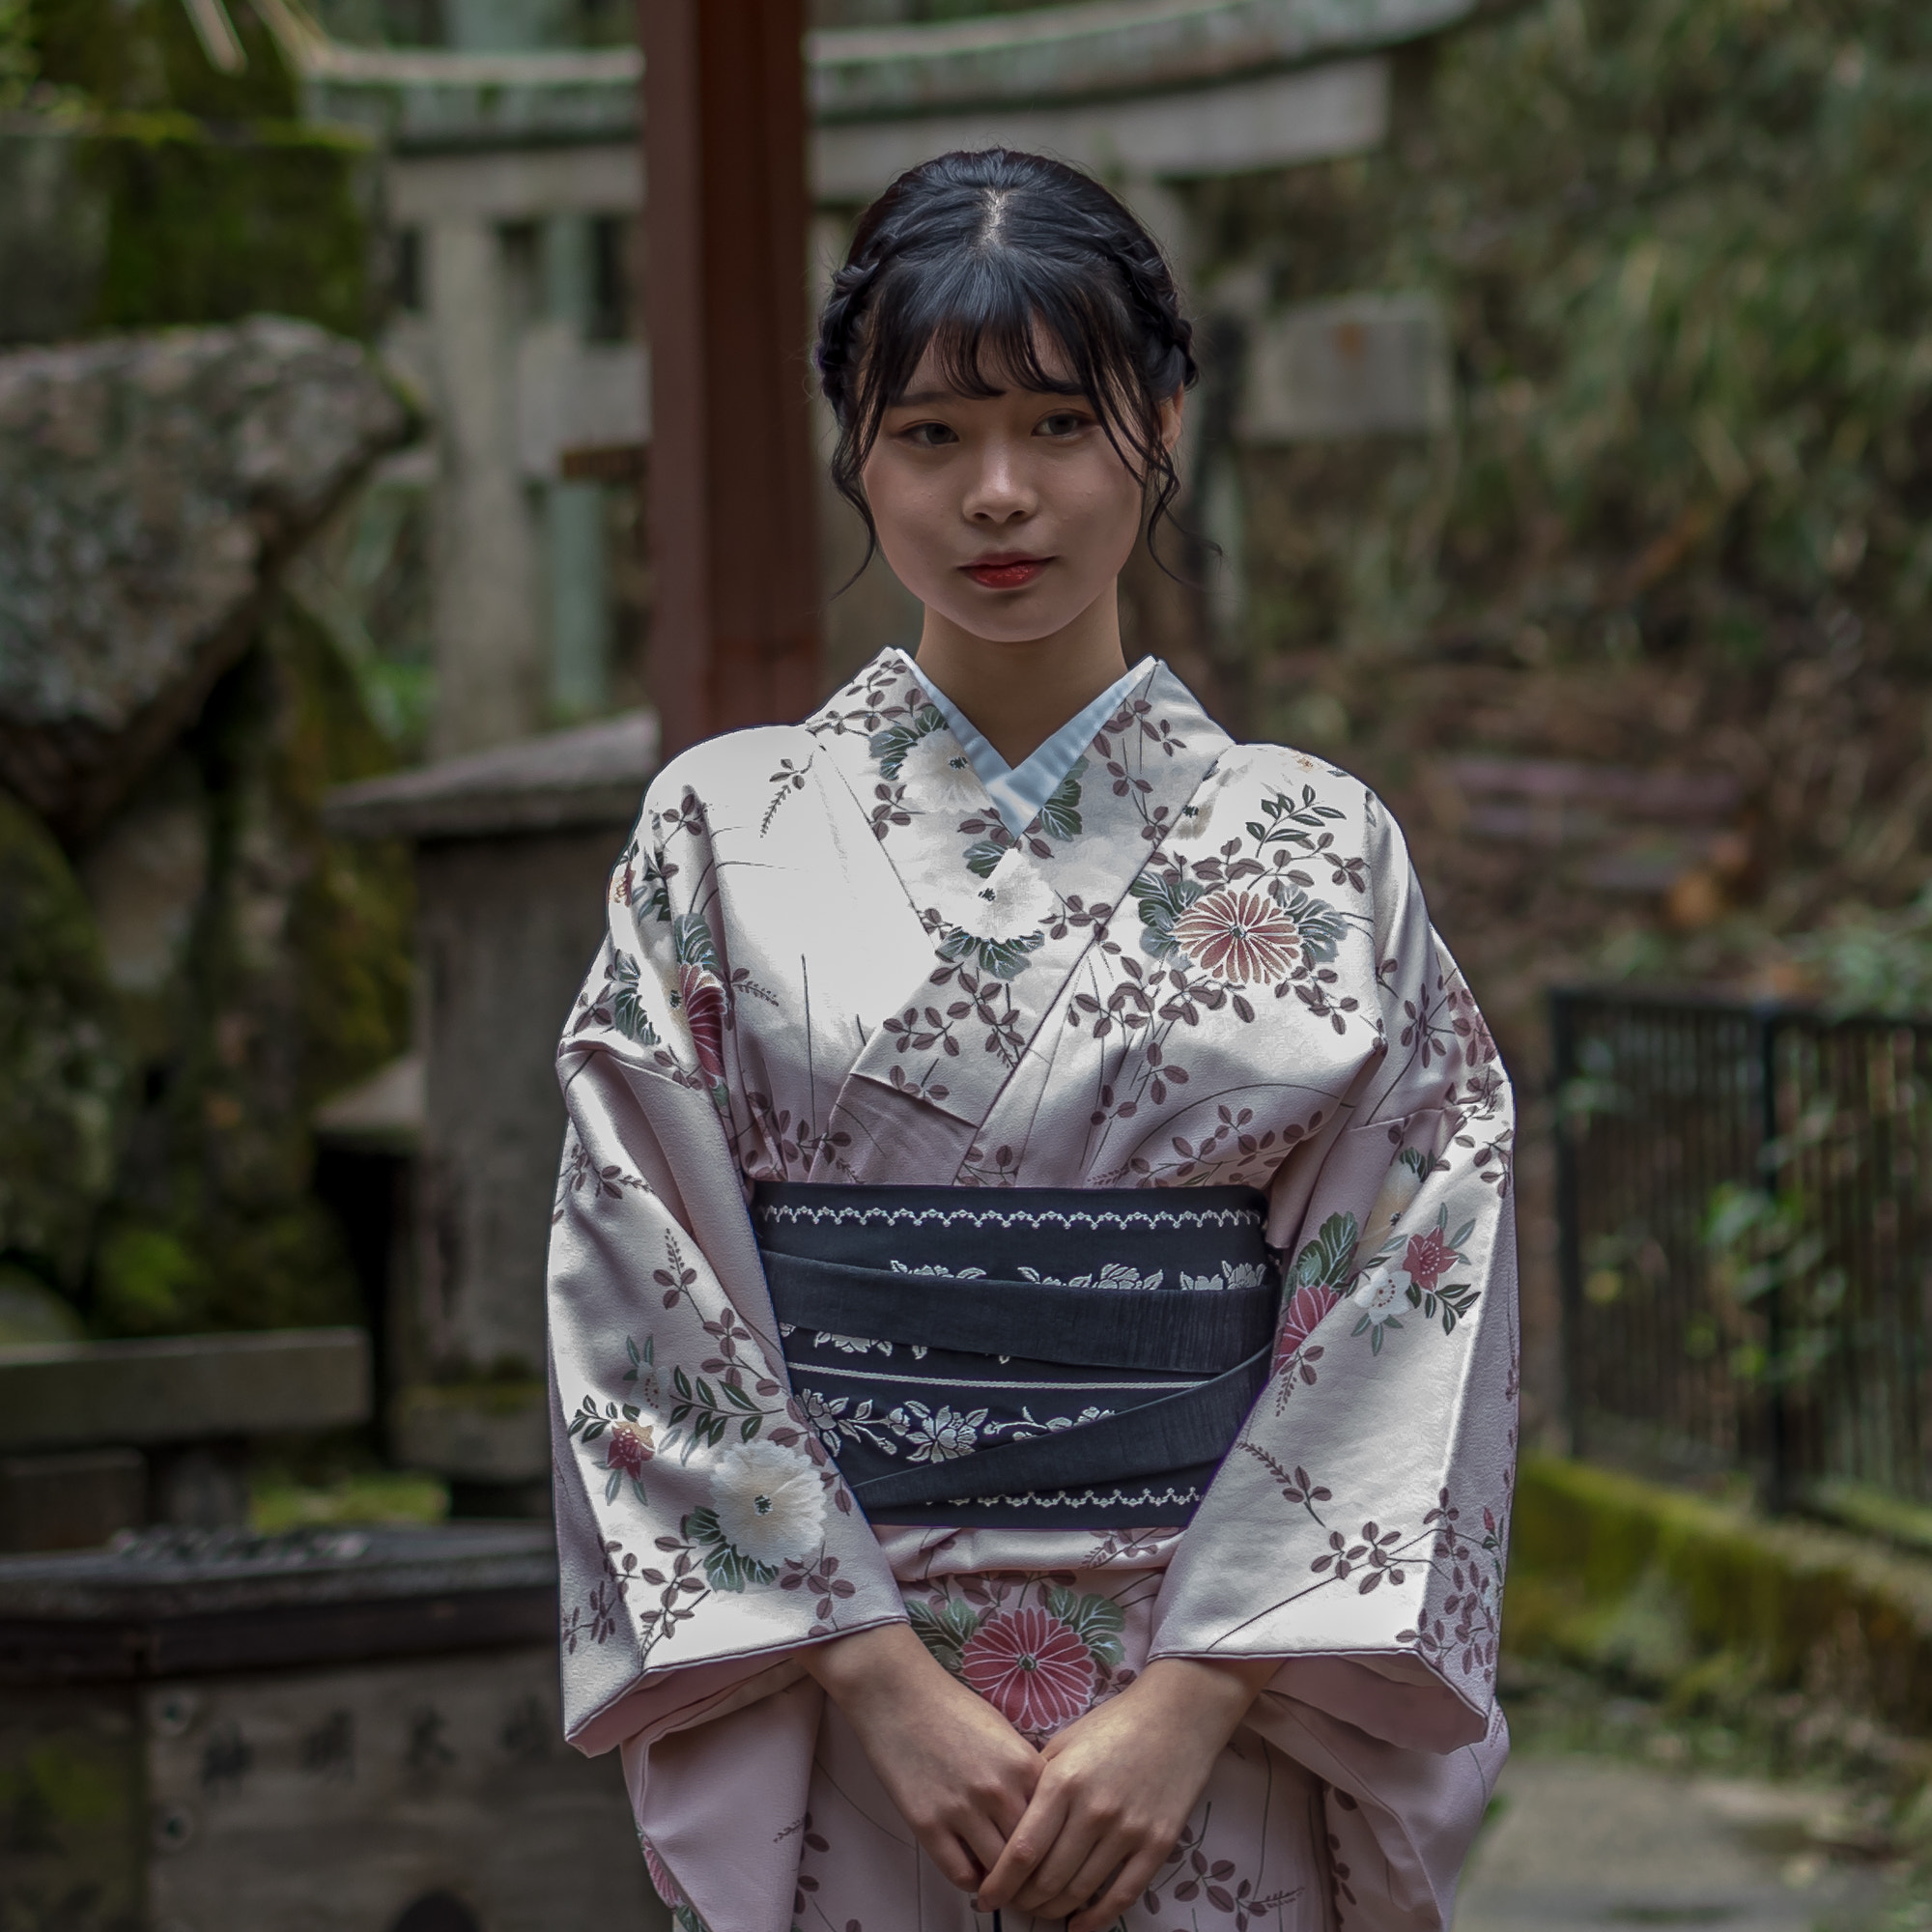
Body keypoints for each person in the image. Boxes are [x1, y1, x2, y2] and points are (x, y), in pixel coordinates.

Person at [547, 147, 1518, 1932]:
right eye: (931, 435)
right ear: (855, 442)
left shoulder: (1316, 847)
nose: (1001, 494)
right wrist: (877, 1678)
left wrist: (1192, 1699)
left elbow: (1414, 1283)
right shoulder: (721, 831)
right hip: (849, 1715)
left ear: (1159, 421)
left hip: (1216, 1720)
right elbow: (640, 1272)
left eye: (1061, 425)